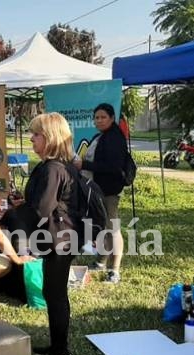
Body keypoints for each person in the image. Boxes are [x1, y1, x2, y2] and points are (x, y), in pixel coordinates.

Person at [24, 112, 80, 355]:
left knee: (55, 296)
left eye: (36, 135)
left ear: (49, 138)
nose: (32, 139)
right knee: (53, 294)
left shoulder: (53, 169)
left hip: (60, 240)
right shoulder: (60, 165)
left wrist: (15, 218)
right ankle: (59, 347)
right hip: (61, 238)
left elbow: (41, 210)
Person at [74, 103, 129, 284]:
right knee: (102, 227)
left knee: (112, 228)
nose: (99, 120)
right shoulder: (101, 136)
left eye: (103, 117)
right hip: (97, 189)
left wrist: (85, 165)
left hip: (109, 191)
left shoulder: (115, 138)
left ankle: (114, 270)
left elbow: (113, 167)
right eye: (96, 117)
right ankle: (101, 262)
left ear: (112, 118)